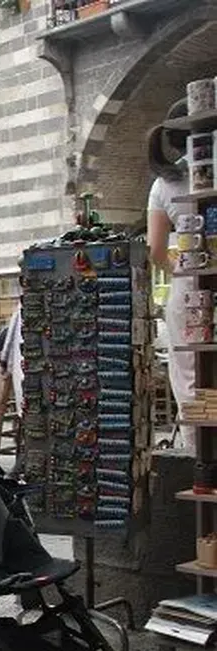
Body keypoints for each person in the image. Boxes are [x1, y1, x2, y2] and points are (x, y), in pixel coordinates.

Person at [147, 98, 194, 450]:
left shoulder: (165, 183)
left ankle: (202, 465)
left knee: (190, 379)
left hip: (189, 286)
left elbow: (156, 252)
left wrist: (179, 269)